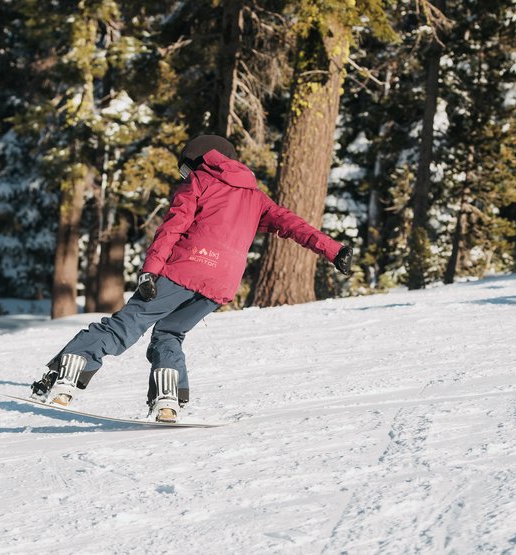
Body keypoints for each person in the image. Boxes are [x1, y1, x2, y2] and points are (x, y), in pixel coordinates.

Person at [32, 135, 353, 422]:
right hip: (221, 284)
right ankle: (167, 402)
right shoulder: (256, 196)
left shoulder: (200, 181)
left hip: (186, 268)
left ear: (202, 160)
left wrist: (151, 269)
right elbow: (295, 225)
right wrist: (334, 250)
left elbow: (173, 225)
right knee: (169, 334)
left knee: (125, 325)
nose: (184, 177)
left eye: (185, 170)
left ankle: (67, 378)